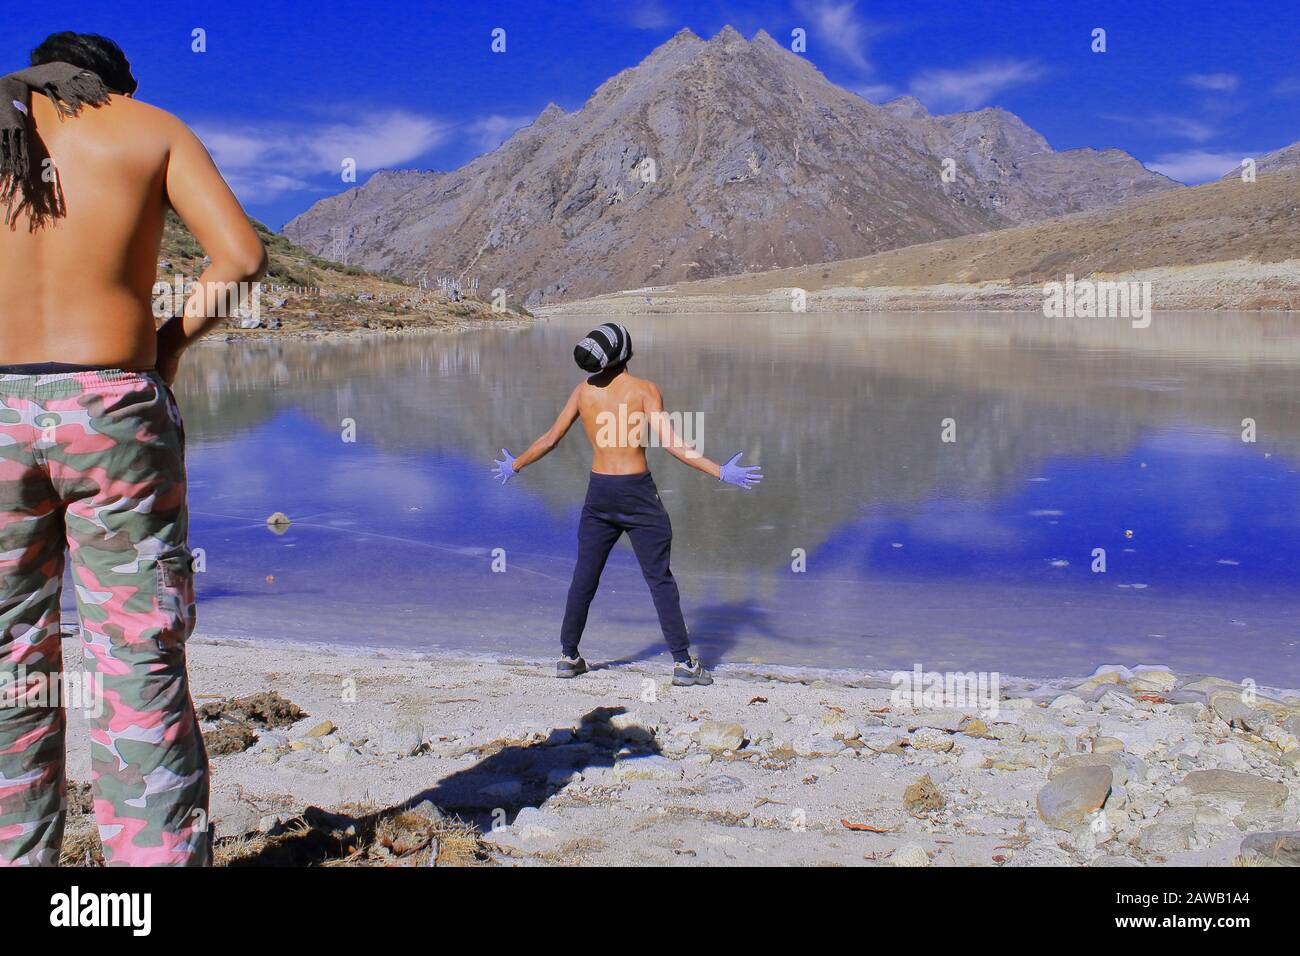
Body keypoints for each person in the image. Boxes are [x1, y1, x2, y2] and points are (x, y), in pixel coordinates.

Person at [0, 32, 267, 866]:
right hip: (114, 408)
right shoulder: (149, 127)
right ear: (111, 81)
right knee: (134, 653)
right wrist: (173, 344)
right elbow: (243, 258)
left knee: (11, 658)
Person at [492, 323, 762, 686]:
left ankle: (568, 657)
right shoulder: (645, 390)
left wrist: (516, 465)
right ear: (628, 353)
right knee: (659, 578)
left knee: (584, 576)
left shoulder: (583, 391)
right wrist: (720, 472)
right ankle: (683, 664)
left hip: (599, 492)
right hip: (637, 494)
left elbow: (551, 439)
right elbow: (672, 444)